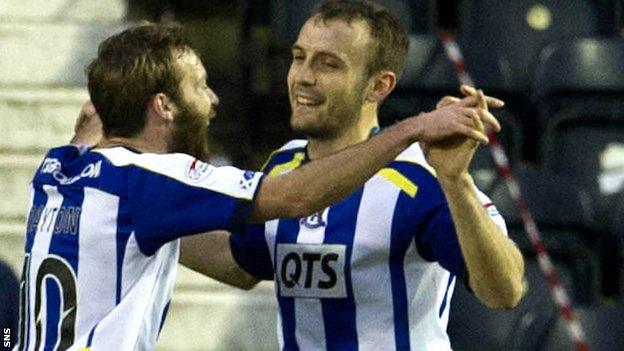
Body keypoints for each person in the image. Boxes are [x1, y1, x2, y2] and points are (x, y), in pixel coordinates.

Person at [14, 20, 497, 351]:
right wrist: (411, 128)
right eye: (199, 85)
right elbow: (294, 195)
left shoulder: (60, 168)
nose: (213, 98)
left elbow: (505, 290)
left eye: (325, 62)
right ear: (163, 105)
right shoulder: (153, 182)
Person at [180, 1, 525, 350]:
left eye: (328, 64)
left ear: (378, 86)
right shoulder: (283, 167)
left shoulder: (421, 178)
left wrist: (457, 182)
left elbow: (504, 290)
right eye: (299, 57)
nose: (303, 77)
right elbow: (243, 264)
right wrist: (142, 224)